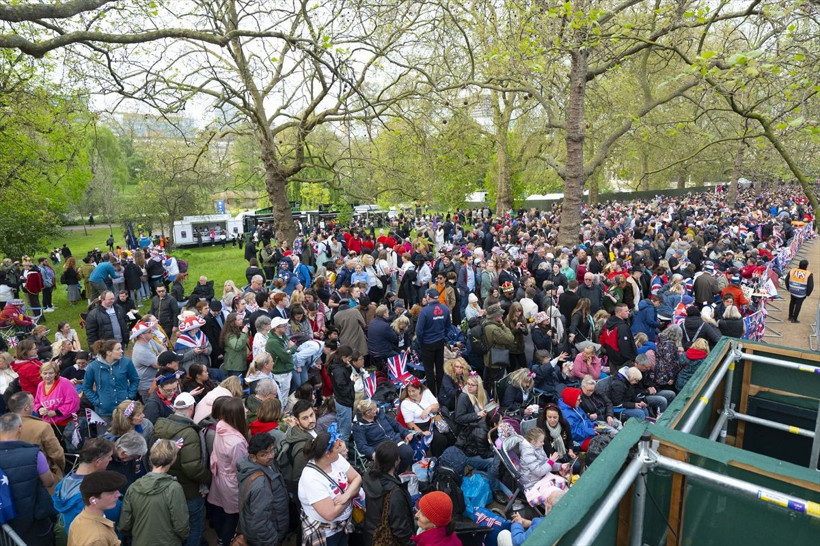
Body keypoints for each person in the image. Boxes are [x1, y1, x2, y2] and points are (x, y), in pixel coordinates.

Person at [152, 392, 212, 546]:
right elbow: (192, 467)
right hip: (189, 491)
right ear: (191, 407)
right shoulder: (189, 433)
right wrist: (208, 477)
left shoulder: (160, 425)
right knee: (194, 526)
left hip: (165, 487)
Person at [298, 428, 363, 546]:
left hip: (342, 526)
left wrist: (346, 495)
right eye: (336, 448)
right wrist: (351, 494)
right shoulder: (311, 478)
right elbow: (330, 514)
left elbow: (357, 478)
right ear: (327, 454)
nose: (340, 450)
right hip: (327, 534)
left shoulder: (336, 460)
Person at [0, 412, 58, 545]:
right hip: (33, 522)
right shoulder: (35, 454)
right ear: (20, 428)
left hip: (4, 520)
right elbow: (49, 481)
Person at [119, 439, 189, 545]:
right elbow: (181, 525)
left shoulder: (133, 487)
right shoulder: (173, 488)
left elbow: (124, 524)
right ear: (172, 460)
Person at [208, 397, 250, 545]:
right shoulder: (236, 442)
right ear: (236, 415)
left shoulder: (221, 425)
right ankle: (226, 541)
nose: (246, 411)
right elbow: (240, 467)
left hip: (219, 475)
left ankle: (220, 536)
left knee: (220, 509)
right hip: (231, 481)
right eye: (243, 409)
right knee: (232, 516)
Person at [236, 433, 290, 546]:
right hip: (267, 538)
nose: (271, 456)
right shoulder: (261, 484)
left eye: (271, 451)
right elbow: (260, 522)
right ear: (253, 457)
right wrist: (271, 541)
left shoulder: (264, 464)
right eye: (264, 454)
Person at [361, 440, 415, 546]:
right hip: (388, 540)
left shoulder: (368, 477)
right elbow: (400, 527)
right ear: (396, 461)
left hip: (371, 536)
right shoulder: (394, 492)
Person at [9, 391, 66, 489]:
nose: (34, 404)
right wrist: (58, 473)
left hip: (12, 482)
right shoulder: (42, 426)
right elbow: (57, 454)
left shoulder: (4, 427)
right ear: (26, 407)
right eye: (32, 402)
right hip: (43, 480)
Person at [66, 471, 127, 546]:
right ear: (93, 500)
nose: (118, 495)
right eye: (111, 493)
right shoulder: (98, 539)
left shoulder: (79, 519)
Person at [353, 399, 414, 473]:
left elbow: (394, 423)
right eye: (374, 409)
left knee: (408, 452)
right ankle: (390, 476)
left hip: (394, 439)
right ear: (367, 413)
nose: (377, 410)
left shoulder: (380, 413)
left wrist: (406, 432)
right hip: (380, 447)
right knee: (390, 460)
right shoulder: (358, 426)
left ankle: (398, 473)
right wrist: (372, 453)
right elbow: (361, 445)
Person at [84, 339, 139, 420]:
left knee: (125, 432)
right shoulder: (93, 367)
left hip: (124, 410)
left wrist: (130, 396)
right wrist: (97, 401)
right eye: (118, 349)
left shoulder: (127, 363)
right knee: (105, 433)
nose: (122, 351)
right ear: (108, 352)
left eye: (121, 348)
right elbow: (86, 387)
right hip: (103, 411)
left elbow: (135, 380)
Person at [399, 377, 448, 457]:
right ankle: (435, 457)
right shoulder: (405, 403)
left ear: (419, 389)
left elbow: (436, 406)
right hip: (417, 426)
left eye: (413, 391)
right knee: (439, 439)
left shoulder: (426, 392)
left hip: (431, 422)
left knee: (445, 437)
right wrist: (422, 433)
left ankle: (440, 456)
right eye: (409, 391)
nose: (411, 394)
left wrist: (428, 409)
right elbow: (410, 424)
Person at [416, 288, 452, 395]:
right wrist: (443, 336)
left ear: (428, 297)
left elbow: (418, 331)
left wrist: (422, 341)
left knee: (429, 370)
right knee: (440, 368)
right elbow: (448, 327)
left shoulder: (424, 311)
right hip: (439, 342)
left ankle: (432, 394)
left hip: (427, 344)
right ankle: (441, 392)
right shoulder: (445, 309)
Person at [277, 399, 317, 494]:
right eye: (305, 418)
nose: (311, 420)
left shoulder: (305, 431)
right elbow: (298, 478)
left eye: (311, 415)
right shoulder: (303, 447)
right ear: (296, 421)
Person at [33, 360, 80, 428]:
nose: (48, 376)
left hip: (66, 423)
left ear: (56, 373)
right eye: (45, 373)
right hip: (48, 423)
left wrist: (55, 412)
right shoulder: (41, 385)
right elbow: (37, 402)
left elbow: (73, 402)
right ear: (41, 374)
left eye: (51, 373)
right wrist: (40, 409)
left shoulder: (65, 382)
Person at [329, 346, 357, 445]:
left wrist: (348, 367)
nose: (350, 360)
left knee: (342, 426)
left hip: (341, 400)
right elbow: (343, 389)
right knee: (345, 431)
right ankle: (343, 453)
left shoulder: (338, 366)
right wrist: (352, 382)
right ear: (344, 357)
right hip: (344, 402)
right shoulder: (339, 371)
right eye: (349, 358)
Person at [267, 316, 297, 405]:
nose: (286, 327)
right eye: (283, 326)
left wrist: (290, 350)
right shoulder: (273, 342)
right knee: (282, 398)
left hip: (287, 371)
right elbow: (285, 357)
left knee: (285, 395)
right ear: (276, 328)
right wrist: (291, 349)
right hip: (281, 373)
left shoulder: (282, 336)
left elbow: (292, 348)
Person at [483, 303, 514, 387]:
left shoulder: (485, 323)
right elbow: (510, 339)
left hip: (488, 359)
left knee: (487, 382)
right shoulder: (495, 329)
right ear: (495, 316)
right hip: (496, 360)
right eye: (500, 314)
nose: (502, 315)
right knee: (496, 384)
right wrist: (503, 326)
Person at [600, 303, 637, 368]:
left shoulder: (608, 324)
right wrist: (632, 358)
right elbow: (625, 346)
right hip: (623, 362)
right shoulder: (622, 327)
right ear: (619, 312)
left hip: (612, 358)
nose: (628, 313)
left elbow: (601, 338)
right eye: (626, 311)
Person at [220, 311, 250, 377]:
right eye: (239, 320)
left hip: (241, 363)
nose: (241, 320)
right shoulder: (229, 334)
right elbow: (237, 346)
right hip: (234, 366)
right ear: (233, 322)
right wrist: (244, 334)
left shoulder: (238, 330)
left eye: (241, 319)